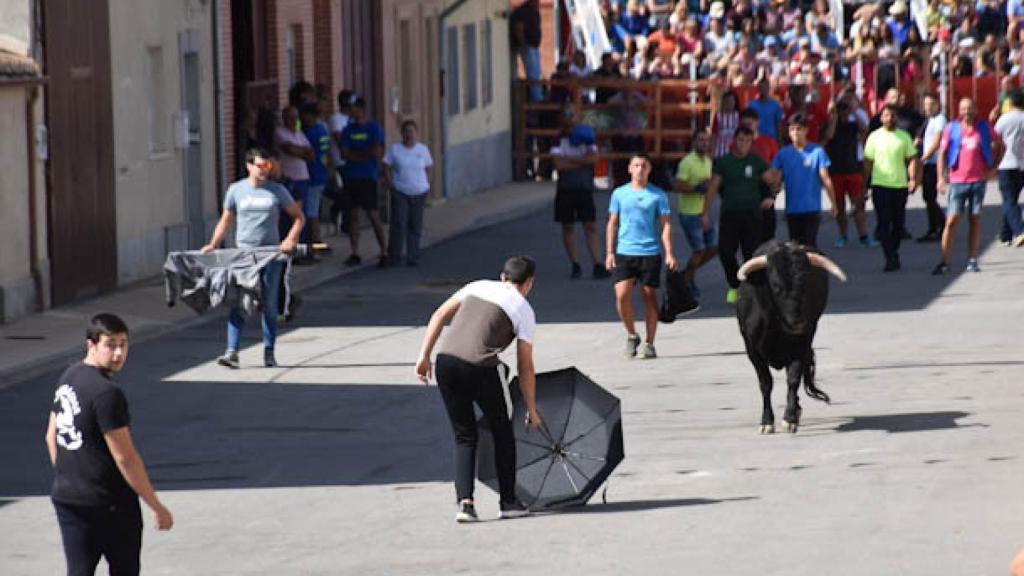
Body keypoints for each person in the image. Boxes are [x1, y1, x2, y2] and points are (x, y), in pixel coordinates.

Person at [415, 256, 541, 523]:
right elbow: (525, 364)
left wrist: (424, 356)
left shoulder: (477, 286)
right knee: (502, 432)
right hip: (481, 368)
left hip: (446, 363)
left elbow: (439, 314)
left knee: (464, 436)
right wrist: (531, 408)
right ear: (529, 283)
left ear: (502, 277)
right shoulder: (524, 309)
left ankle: (465, 504)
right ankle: (508, 501)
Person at [46, 314, 173, 576]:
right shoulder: (107, 394)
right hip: (109, 503)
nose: (118, 353)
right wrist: (155, 505)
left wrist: (68, 475)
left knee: (79, 571)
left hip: (68, 497)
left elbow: (51, 436)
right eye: (110, 345)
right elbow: (125, 457)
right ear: (91, 345)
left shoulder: (69, 377)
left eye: (123, 344)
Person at [203, 147, 305, 368]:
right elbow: (226, 220)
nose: (264, 171)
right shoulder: (236, 190)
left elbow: (299, 217)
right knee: (240, 302)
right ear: (249, 166)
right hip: (244, 256)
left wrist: (290, 239)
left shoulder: (276, 190)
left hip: (271, 256)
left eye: (267, 166)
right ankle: (232, 352)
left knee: (268, 305)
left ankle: (269, 352)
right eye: (259, 166)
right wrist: (213, 244)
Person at [606, 154, 678, 359]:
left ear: (649, 169)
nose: (639, 169)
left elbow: (665, 225)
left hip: (649, 251)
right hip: (624, 251)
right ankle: (631, 334)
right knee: (621, 295)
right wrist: (610, 252)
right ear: (629, 168)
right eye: (636, 165)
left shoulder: (657, 195)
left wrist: (669, 253)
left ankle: (650, 343)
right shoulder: (619, 194)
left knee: (649, 296)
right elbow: (612, 223)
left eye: (643, 166)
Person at [703, 127, 780, 304]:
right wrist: (705, 213)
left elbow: (774, 180)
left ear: (751, 143)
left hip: (752, 215)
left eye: (747, 141)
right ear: (733, 141)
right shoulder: (725, 162)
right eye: (740, 140)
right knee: (725, 251)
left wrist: (771, 196)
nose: (743, 144)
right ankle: (735, 284)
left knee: (751, 254)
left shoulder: (756, 161)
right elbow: (713, 187)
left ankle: (753, 290)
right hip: (730, 214)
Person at [933, 98, 999, 274]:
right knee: (952, 220)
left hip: (977, 181)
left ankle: (972, 259)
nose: (966, 112)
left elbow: (1000, 144)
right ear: (959, 111)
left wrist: (994, 168)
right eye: (963, 109)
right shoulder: (951, 128)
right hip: (957, 182)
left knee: (974, 219)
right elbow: (942, 154)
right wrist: (940, 177)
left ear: (976, 110)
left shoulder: (983, 127)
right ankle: (945, 260)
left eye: (970, 108)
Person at [864, 104, 919, 272]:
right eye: (886, 115)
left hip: (900, 185)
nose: (889, 118)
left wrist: (912, 179)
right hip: (880, 185)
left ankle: (894, 250)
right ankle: (889, 256)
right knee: (883, 222)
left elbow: (911, 159)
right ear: (881, 118)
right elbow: (868, 162)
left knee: (898, 223)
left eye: (893, 115)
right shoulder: (874, 137)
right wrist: (865, 185)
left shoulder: (904, 137)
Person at [551, 122, 610, 279]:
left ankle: (598, 263)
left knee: (590, 225)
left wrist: (569, 160)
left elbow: (593, 159)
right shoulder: (558, 140)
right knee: (568, 226)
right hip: (566, 189)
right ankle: (575, 264)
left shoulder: (587, 137)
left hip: (584, 189)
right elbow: (558, 164)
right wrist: (580, 160)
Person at [772, 113, 837, 248]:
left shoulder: (817, 151)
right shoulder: (783, 153)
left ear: (806, 130)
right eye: (792, 129)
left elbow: (825, 178)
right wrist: (772, 194)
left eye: (799, 129)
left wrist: (833, 203)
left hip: (811, 208)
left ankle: (813, 269)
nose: (795, 133)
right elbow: (775, 179)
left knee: (810, 246)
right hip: (792, 209)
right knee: (795, 248)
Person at [339, 97, 388, 267]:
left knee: (373, 214)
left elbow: (376, 151)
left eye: (352, 108)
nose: (350, 112)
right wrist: (362, 154)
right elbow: (344, 153)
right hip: (351, 176)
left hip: (367, 176)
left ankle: (383, 250)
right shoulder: (347, 130)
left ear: (360, 109)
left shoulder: (373, 128)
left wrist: (356, 155)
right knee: (353, 215)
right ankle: (355, 252)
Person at [824, 89, 875, 248]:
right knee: (840, 207)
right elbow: (829, 136)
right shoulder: (833, 125)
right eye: (842, 109)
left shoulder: (854, 125)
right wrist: (834, 116)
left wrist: (854, 111)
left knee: (858, 205)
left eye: (846, 109)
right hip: (836, 171)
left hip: (853, 169)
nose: (844, 113)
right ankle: (843, 236)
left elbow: (866, 129)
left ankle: (864, 236)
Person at [383, 119, 433, 267]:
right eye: (406, 131)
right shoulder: (395, 149)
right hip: (401, 191)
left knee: (415, 225)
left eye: (412, 131)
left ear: (416, 133)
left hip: (419, 192)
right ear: (402, 133)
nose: (409, 134)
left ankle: (413, 256)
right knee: (399, 223)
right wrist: (390, 184)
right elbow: (386, 166)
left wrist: (426, 184)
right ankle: (395, 256)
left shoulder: (422, 150)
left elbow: (428, 168)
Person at [673, 130, 717, 298]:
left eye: (707, 140)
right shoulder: (687, 162)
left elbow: (710, 186)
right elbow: (678, 185)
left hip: (703, 211)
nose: (704, 143)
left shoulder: (708, 161)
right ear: (694, 142)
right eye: (700, 140)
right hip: (689, 212)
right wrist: (695, 187)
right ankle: (688, 280)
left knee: (713, 247)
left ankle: (686, 274)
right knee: (698, 249)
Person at [274, 105, 314, 252]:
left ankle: (300, 248)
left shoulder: (300, 133)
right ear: (284, 118)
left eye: (295, 118)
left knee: (302, 215)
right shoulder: (279, 133)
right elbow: (288, 150)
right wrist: (301, 151)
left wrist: (299, 150)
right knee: (287, 215)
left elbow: (311, 154)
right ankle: (288, 246)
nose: (293, 120)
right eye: (290, 117)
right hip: (288, 179)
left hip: (303, 178)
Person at [738, 108, 780, 244]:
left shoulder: (769, 142)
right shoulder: (736, 145)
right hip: (746, 194)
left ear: (757, 123)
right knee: (748, 239)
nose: (748, 127)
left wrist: (772, 196)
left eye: (750, 124)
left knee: (767, 238)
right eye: (744, 125)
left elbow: (777, 171)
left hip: (765, 191)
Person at [299, 102, 331, 252]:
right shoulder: (322, 129)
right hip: (321, 172)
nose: (302, 119)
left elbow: (308, 154)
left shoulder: (311, 132)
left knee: (311, 212)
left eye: (304, 116)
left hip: (312, 175)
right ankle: (317, 242)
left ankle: (316, 243)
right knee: (314, 209)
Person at [994, 89, 1024, 248]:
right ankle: (1005, 234)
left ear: (1010, 103)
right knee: (1011, 198)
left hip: (1007, 163)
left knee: (1008, 200)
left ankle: (1019, 230)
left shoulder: (1005, 119)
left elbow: (995, 139)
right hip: (1022, 164)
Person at [918, 93, 948, 243]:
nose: (928, 107)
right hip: (928, 163)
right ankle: (936, 226)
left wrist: (923, 158)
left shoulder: (940, 120)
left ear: (937, 104)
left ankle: (940, 225)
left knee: (929, 196)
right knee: (927, 196)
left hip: (934, 162)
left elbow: (937, 142)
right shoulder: (929, 120)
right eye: (926, 104)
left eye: (931, 104)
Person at [511, 0, 544, 102]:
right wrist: (523, 44)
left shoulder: (535, 12)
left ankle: (538, 96)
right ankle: (536, 99)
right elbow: (518, 28)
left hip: (534, 47)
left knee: (537, 72)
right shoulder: (522, 12)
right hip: (527, 47)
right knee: (532, 73)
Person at [745, 77, 785, 142]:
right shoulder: (751, 105)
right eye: (761, 87)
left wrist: (779, 140)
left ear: (769, 88)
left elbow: (778, 124)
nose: (763, 89)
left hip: (771, 139)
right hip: (755, 139)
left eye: (765, 87)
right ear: (758, 88)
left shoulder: (775, 105)